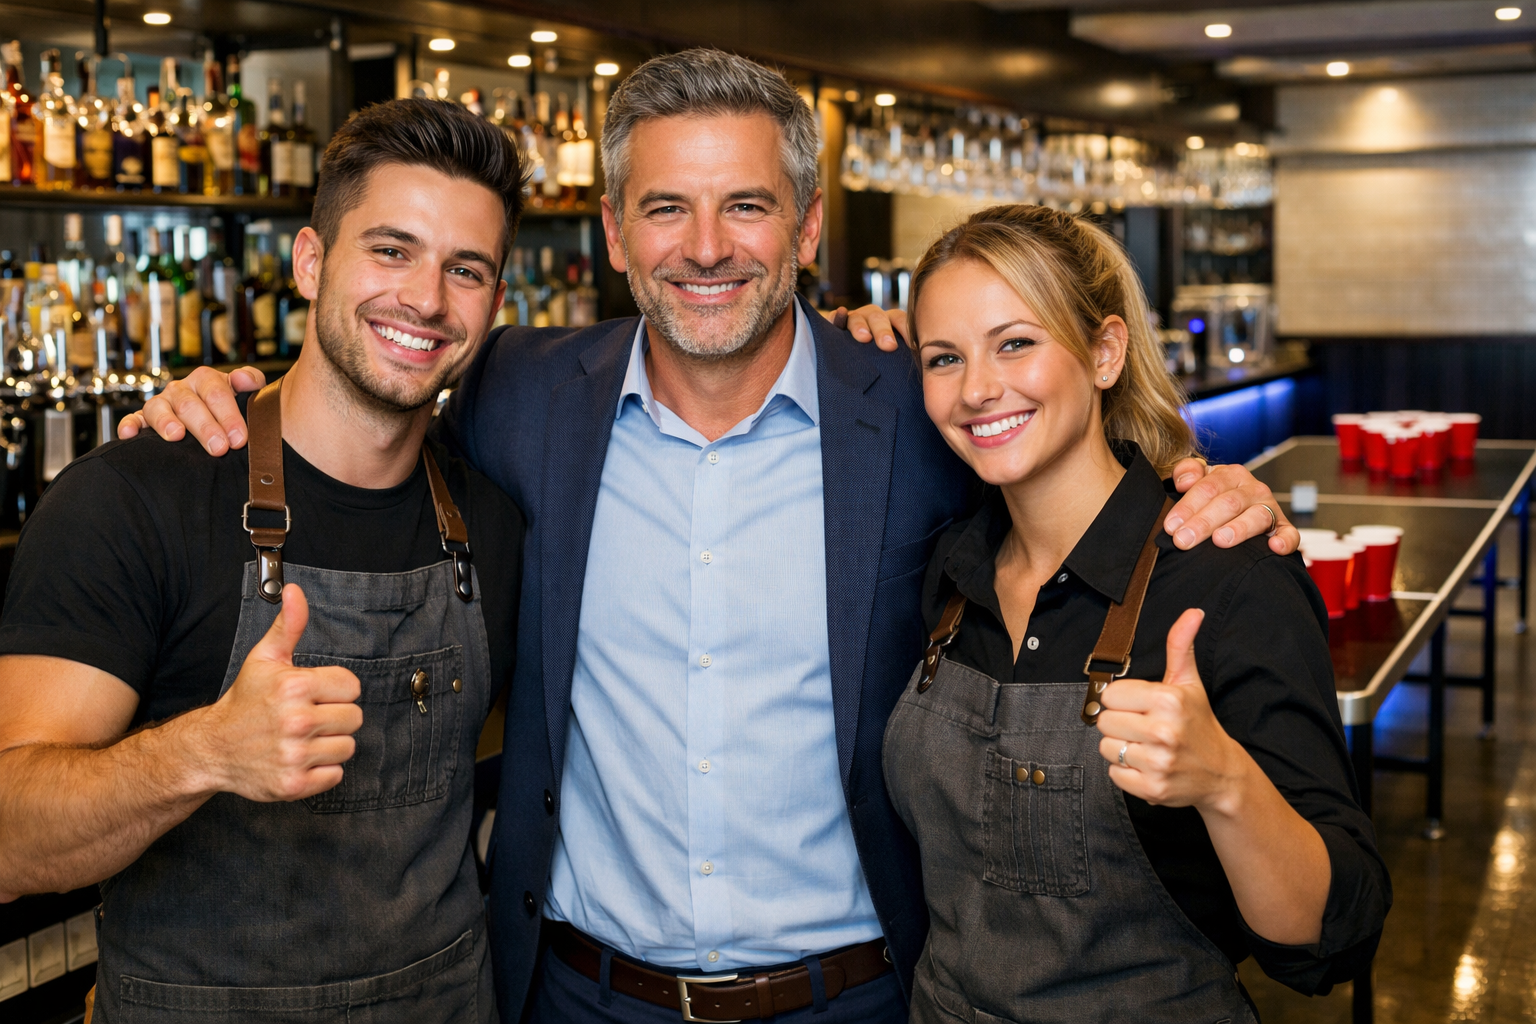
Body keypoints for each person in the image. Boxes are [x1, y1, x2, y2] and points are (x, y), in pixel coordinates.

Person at [121, 49, 1300, 1024]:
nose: (705, 246)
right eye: (666, 208)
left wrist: (1198, 489)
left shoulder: (914, 406)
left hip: (857, 993)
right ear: (614, 234)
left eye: (745, 205)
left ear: (804, 228)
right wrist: (225, 393)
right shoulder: (517, 395)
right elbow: (368, 377)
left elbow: (1050, 451)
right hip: (582, 993)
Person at [0, 99, 527, 1023]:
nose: (428, 300)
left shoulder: (492, 521)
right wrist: (204, 752)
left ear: (494, 304)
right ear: (311, 262)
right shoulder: (136, 499)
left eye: (467, 269)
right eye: (392, 250)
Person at [882, 203, 1390, 1024]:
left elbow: (1332, 939)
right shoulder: (948, 570)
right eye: (944, 357)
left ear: (1104, 350)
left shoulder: (1228, 576)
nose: (977, 388)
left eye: (1016, 342)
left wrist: (1224, 781)